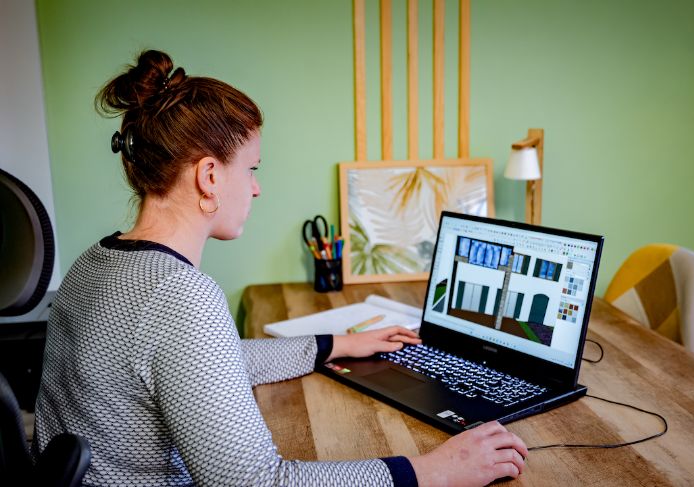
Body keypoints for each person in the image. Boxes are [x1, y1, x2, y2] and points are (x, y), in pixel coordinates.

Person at [32, 50, 528, 486]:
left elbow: (205, 365)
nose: (255, 188)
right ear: (209, 176)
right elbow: (256, 482)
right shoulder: (178, 295)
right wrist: (431, 471)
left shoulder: (96, 261)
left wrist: (335, 345)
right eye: (251, 169)